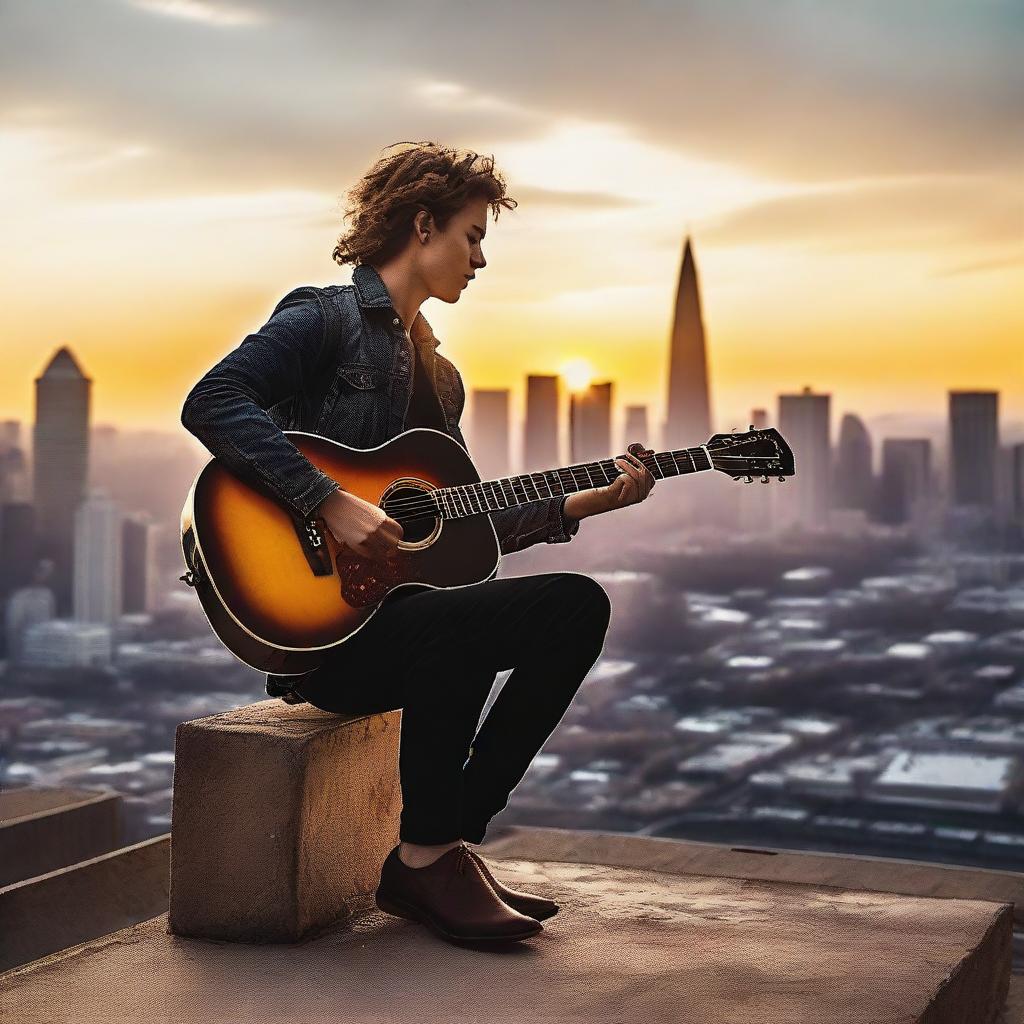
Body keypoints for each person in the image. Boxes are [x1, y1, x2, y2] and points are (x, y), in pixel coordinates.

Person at [180, 141, 655, 947]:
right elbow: (212, 400)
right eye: (472, 236)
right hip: (322, 636)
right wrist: (329, 502)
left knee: (575, 605)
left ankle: (444, 842)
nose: (479, 258)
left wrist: (585, 501)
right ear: (423, 223)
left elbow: (456, 522)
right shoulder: (324, 318)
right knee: (455, 629)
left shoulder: (441, 380)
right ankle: (433, 855)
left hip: (404, 625)